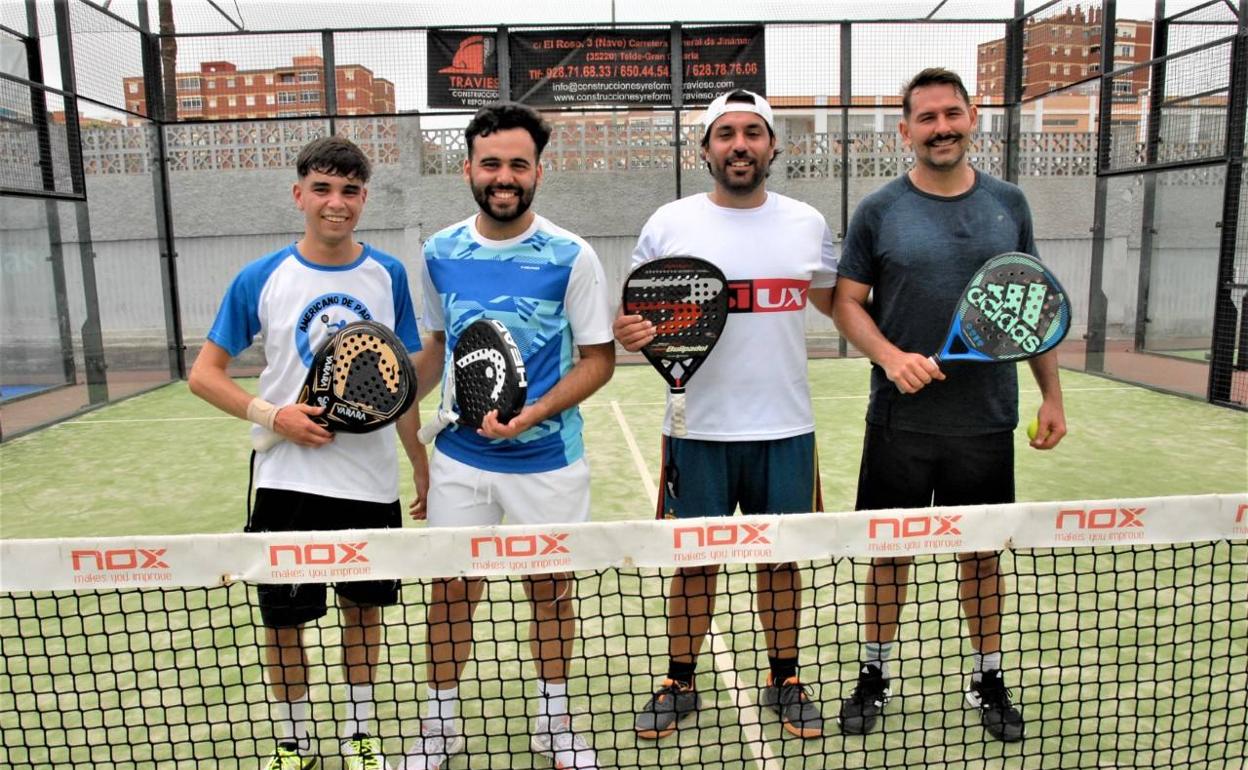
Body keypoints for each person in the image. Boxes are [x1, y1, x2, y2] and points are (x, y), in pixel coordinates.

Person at [831, 67, 1067, 744]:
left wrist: (1051, 395)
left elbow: (1029, 303)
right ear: (905, 131)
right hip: (899, 422)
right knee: (889, 555)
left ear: (973, 118)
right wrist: (889, 356)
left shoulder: (1008, 204)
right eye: (927, 118)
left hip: (986, 420)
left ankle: (988, 677)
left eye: (951, 114)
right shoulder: (879, 210)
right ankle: (873, 674)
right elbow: (848, 301)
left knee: (982, 556)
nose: (941, 128)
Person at [188, 135, 427, 770]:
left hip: (370, 484)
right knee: (285, 623)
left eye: (349, 191)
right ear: (299, 195)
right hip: (285, 481)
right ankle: (293, 743)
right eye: (322, 189)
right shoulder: (260, 277)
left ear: (363, 198)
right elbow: (204, 374)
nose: (336, 203)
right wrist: (276, 415)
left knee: (362, 616)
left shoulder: (388, 275)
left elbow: (394, 380)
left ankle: (358, 737)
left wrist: (420, 463)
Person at [613, 89, 838, 740]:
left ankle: (785, 676)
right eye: (726, 134)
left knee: (781, 560)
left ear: (773, 146)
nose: (740, 144)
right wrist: (630, 332)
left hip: (786, 428)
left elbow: (834, 301)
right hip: (697, 429)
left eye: (753, 133)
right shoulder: (669, 223)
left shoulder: (806, 223)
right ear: (705, 148)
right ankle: (679, 679)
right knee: (694, 563)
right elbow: (639, 313)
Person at [400, 102, 614, 770]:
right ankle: (440, 727)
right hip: (461, 459)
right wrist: (398, 399)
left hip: (547, 460)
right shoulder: (438, 252)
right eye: (490, 163)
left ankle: (554, 724)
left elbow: (599, 360)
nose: (504, 176)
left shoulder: (570, 255)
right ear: (467, 168)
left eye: (518, 164)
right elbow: (437, 348)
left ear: (538, 173)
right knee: (451, 592)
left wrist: (534, 412)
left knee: (549, 592)